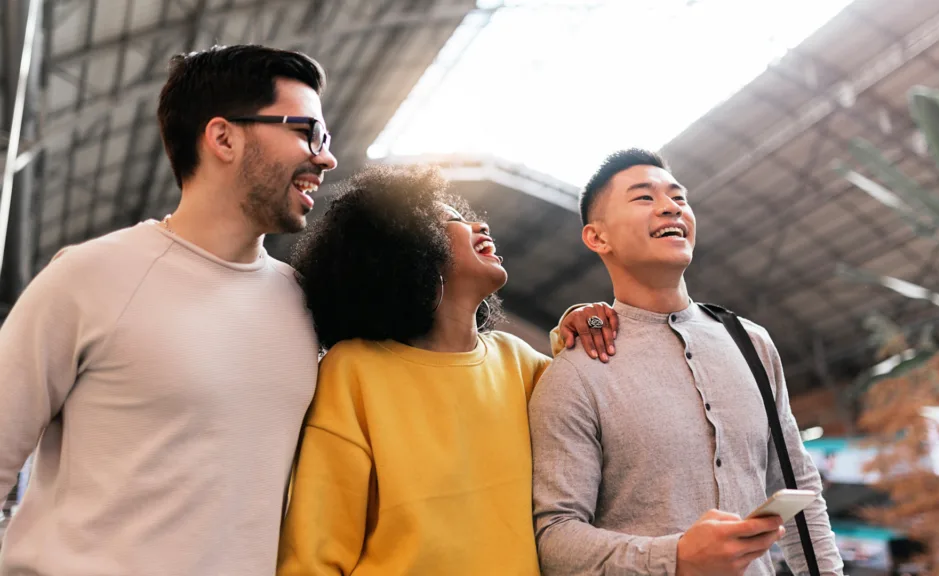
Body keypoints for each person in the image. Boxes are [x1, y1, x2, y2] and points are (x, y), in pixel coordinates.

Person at [0, 44, 611, 575]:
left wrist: (574, 332)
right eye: (307, 132)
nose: (326, 157)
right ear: (222, 137)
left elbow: (433, 371)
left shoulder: (304, 306)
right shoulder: (89, 277)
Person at [529, 149, 844, 576]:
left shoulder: (751, 343)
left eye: (679, 197)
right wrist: (673, 558)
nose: (670, 206)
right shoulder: (576, 373)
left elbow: (797, 488)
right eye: (644, 198)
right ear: (597, 237)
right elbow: (554, 537)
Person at [278, 164, 579, 575]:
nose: (480, 224)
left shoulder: (521, 363)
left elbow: (596, 400)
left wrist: (585, 322)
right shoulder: (353, 370)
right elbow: (314, 553)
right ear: (411, 247)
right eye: (451, 221)